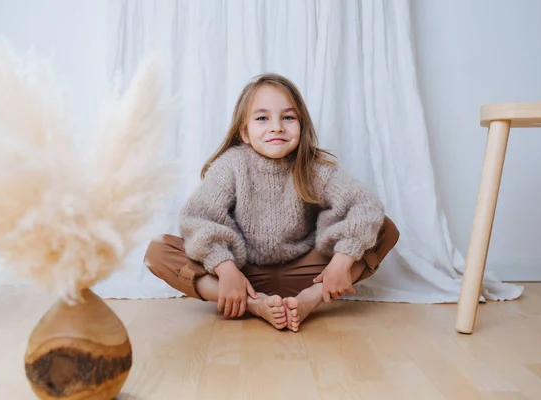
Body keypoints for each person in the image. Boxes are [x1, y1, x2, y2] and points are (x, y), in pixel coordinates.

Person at [144, 73, 399, 332]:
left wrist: (341, 262)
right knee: (158, 251)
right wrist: (226, 269)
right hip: (245, 275)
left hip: (307, 274)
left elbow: (365, 205)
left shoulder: (312, 168)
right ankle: (254, 304)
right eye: (262, 118)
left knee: (383, 229)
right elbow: (198, 219)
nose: (277, 127)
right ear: (244, 131)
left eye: (288, 117)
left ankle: (309, 300)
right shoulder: (231, 165)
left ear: (302, 125)